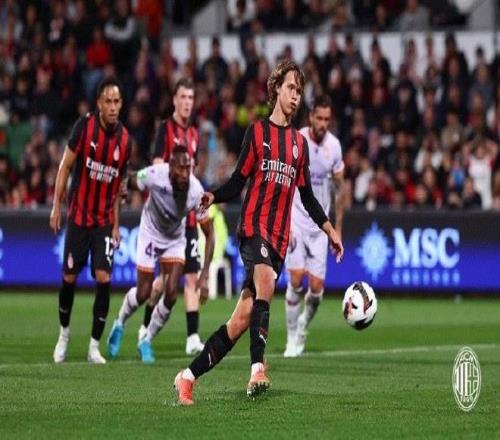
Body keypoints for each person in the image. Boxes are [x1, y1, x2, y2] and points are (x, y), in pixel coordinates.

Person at [173, 60, 344, 405]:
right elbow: (238, 180)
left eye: (299, 91)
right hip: (254, 228)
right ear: (277, 88)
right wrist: (214, 195)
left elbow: (308, 196)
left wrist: (329, 229)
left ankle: (187, 378)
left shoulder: (298, 145)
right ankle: (256, 370)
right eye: (291, 88)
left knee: (239, 321)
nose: (295, 96)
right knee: (265, 283)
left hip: (279, 239)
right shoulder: (257, 133)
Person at [107, 145, 214, 363]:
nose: (185, 174)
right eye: (180, 169)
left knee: (172, 292)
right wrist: (122, 192)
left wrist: (204, 276)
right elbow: (128, 179)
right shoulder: (155, 174)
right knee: (143, 292)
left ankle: (146, 339)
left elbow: (210, 235)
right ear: (171, 166)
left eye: (188, 168)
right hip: (150, 232)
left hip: (175, 238)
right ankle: (120, 322)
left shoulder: (196, 191)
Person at [50, 77, 131, 364]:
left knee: (104, 278)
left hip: (104, 222)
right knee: (69, 278)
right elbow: (65, 166)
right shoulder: (84, 127)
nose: (113, 107)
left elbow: (119, 187)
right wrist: (57, 206)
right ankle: (64, 334)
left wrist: (116, 225)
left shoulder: (125, 140)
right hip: (79, 217)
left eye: (117, 101)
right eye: (108, 101)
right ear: (99, 103)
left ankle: (94, 346)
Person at [127, 78, 206, 355]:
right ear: (174, 100)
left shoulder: (194, 133)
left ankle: (192, 336)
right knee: (161, 283)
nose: (187, 103)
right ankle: (145, 326)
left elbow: (194, 172)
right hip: (164, 221)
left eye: (191, 98)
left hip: (188, 219)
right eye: (183, 97)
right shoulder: (165, 130)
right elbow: (158, 169)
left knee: (191, 276)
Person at [283, 95, 347, 357]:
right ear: (310, 117)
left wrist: (337, 228)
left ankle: (302, 327)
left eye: (327, 119)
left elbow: (340, 191)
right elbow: (284, 182)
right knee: (296, 278)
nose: (323, 124)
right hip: (297, 219)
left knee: (317, 289)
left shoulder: (334, 147)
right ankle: (291, 339)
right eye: (319, 118)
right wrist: (286, 223)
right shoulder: (297, 140)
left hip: (321, 225)